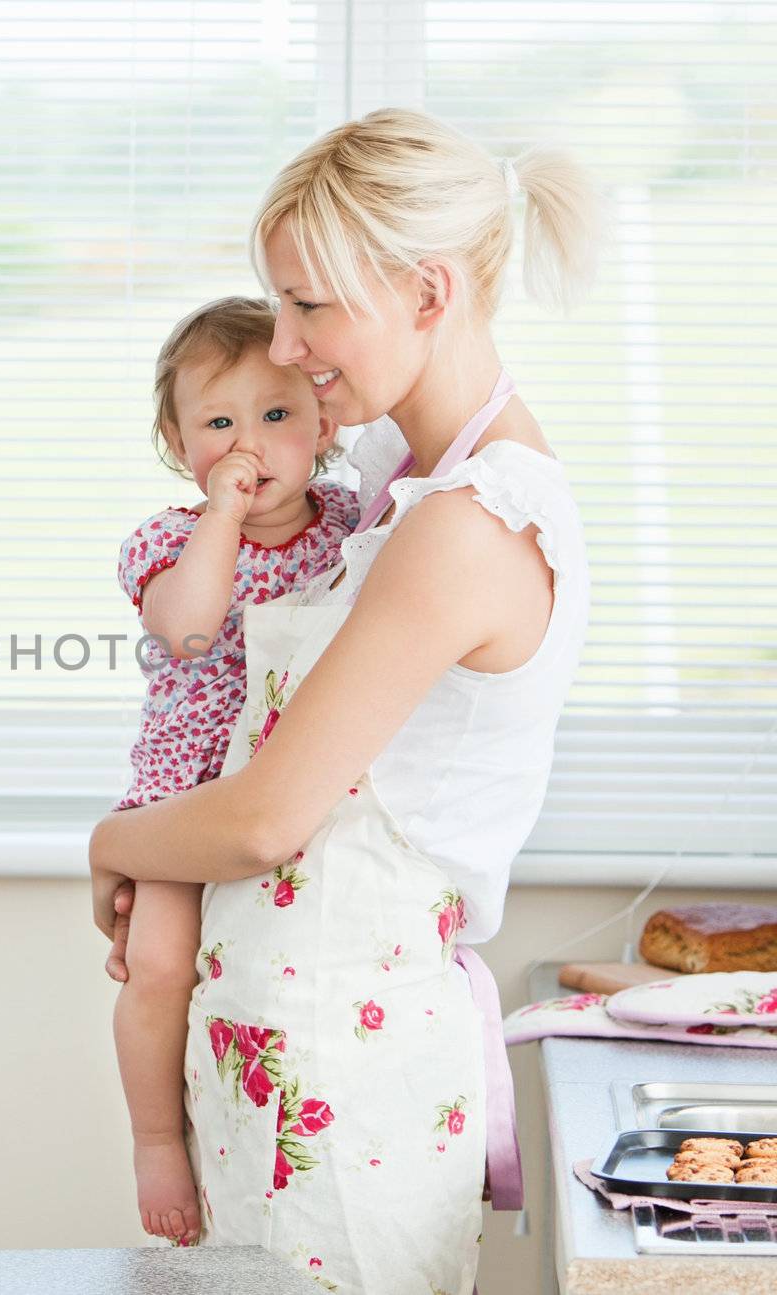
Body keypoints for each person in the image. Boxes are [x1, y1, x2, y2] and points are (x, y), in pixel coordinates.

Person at [88, 108, 597, 1293]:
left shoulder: (468, 525)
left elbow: (268, 816)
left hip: (341, 1070)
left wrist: (114, 841)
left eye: (310, 306)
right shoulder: (387, 481)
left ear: (427, 293)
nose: (284, 342)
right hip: (270, 1027)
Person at [111, 296, 358, 1245]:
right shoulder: (168, 542)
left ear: (325, 426)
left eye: (276, 415)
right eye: (218, 423)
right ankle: (155, 1136)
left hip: (292, 790)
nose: (248, 442)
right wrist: (224, 509)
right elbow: (188, 626)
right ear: (178, 444)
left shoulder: (351, 525)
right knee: (157, 963)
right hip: (183, 802)